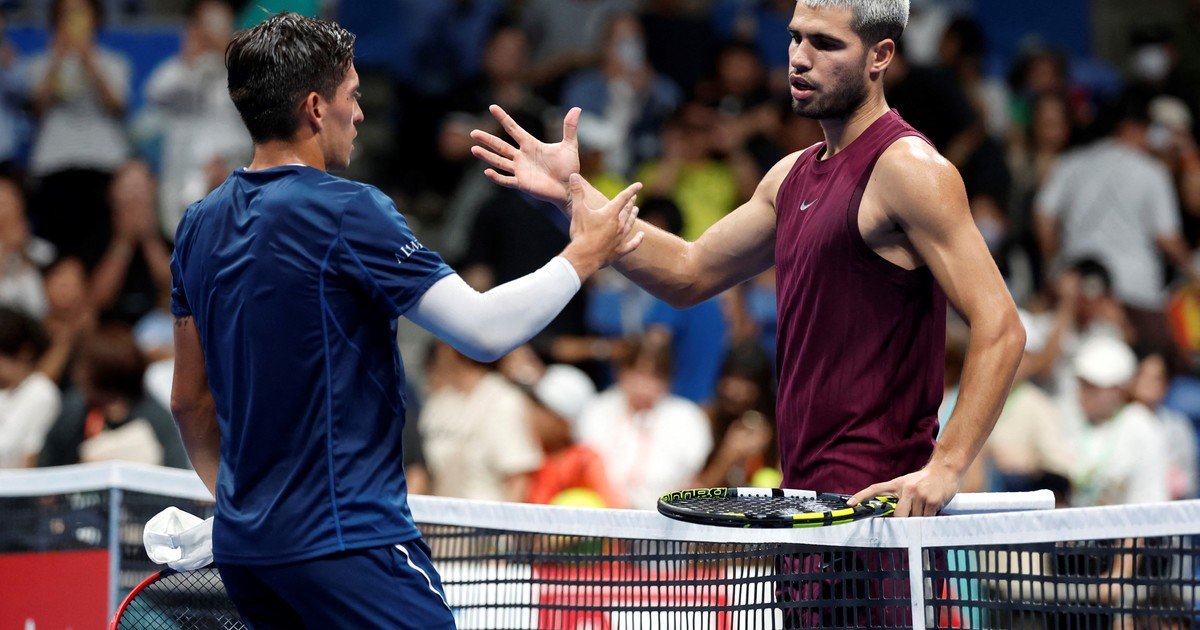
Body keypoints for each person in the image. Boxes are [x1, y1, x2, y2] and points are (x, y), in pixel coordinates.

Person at [472, 2, 1025, 622]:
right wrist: (577, 195)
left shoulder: (910, 170)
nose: (798, 57)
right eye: (794, 38)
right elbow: (688, 272)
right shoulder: (790, 176)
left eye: (824, 43)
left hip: (879, 524)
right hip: (800, 514)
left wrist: (947, 466)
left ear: (880, 57)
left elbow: (1001, 326)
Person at [167, 13, 642, 628]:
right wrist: (584, 254)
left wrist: (239, 508)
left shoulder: (197, 225)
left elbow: (188, 402)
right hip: (349, 545)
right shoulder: (349, 210)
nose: (360, 114)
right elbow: (483, 330)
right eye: (352, 97)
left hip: (247, 553)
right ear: (316, 107)